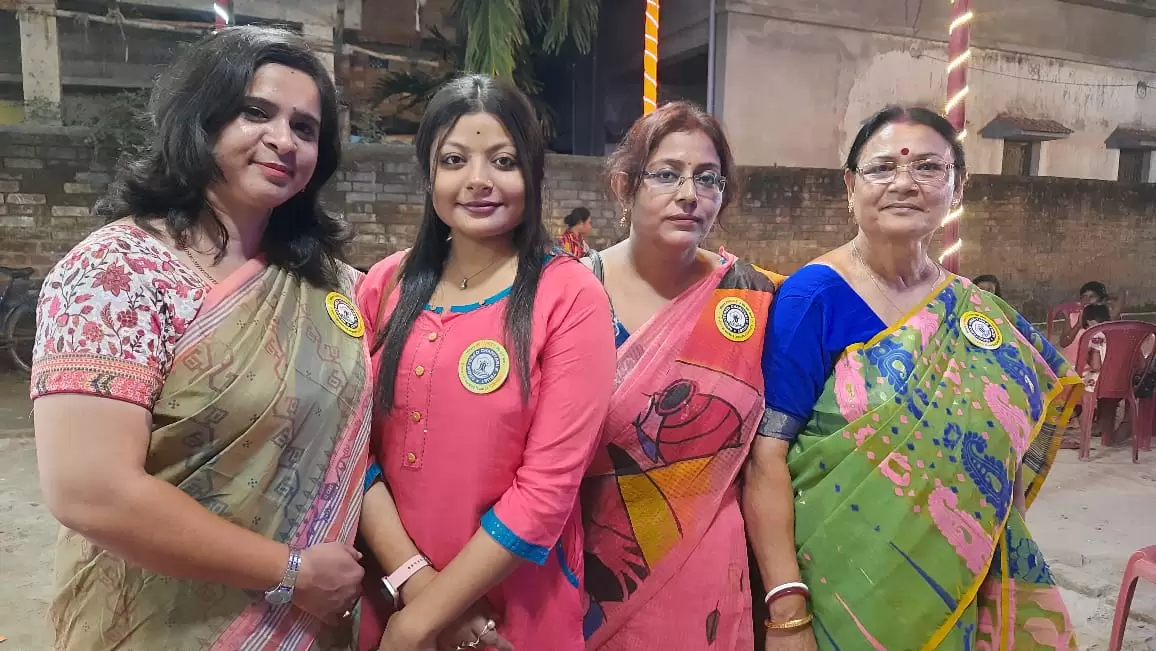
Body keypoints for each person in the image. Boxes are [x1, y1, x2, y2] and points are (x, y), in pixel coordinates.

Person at [31, 26, 368, 650]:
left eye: (304, 127)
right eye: (255, 112)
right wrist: (292, 572)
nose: (283, 139)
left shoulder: (333, 286)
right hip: (158, 624)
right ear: (201, 119)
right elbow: (90, 492)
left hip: (305, 628)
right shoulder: (116, 273)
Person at [746, 105, 1083, 650]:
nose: (904, 183)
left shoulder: (976, 312)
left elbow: (1005, 461)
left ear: (958, 186)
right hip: (840, 585)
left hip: (960, 585)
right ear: (850, 186)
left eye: (928, 167)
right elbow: (766, 459)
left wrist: (994, 568)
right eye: (882, 168)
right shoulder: (814, 298)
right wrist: (787, 613)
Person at [354, 74, 616, 651]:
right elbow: (351, 450)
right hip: (390, 594)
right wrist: (420, 593)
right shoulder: (386, 284)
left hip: (512, 616)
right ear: (429, 173)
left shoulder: (569, 296)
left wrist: (422, 621)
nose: (478, 180)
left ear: (532, 174)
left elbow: (547, 490)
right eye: (454, 160)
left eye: (503, 161)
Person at [579, 100, 782, 650]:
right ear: (625, 185)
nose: (690, 194)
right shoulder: (572, 292)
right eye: (667, 174)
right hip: (589, 567)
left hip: (707, 569)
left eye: (708, 178)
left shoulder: (755, 296)